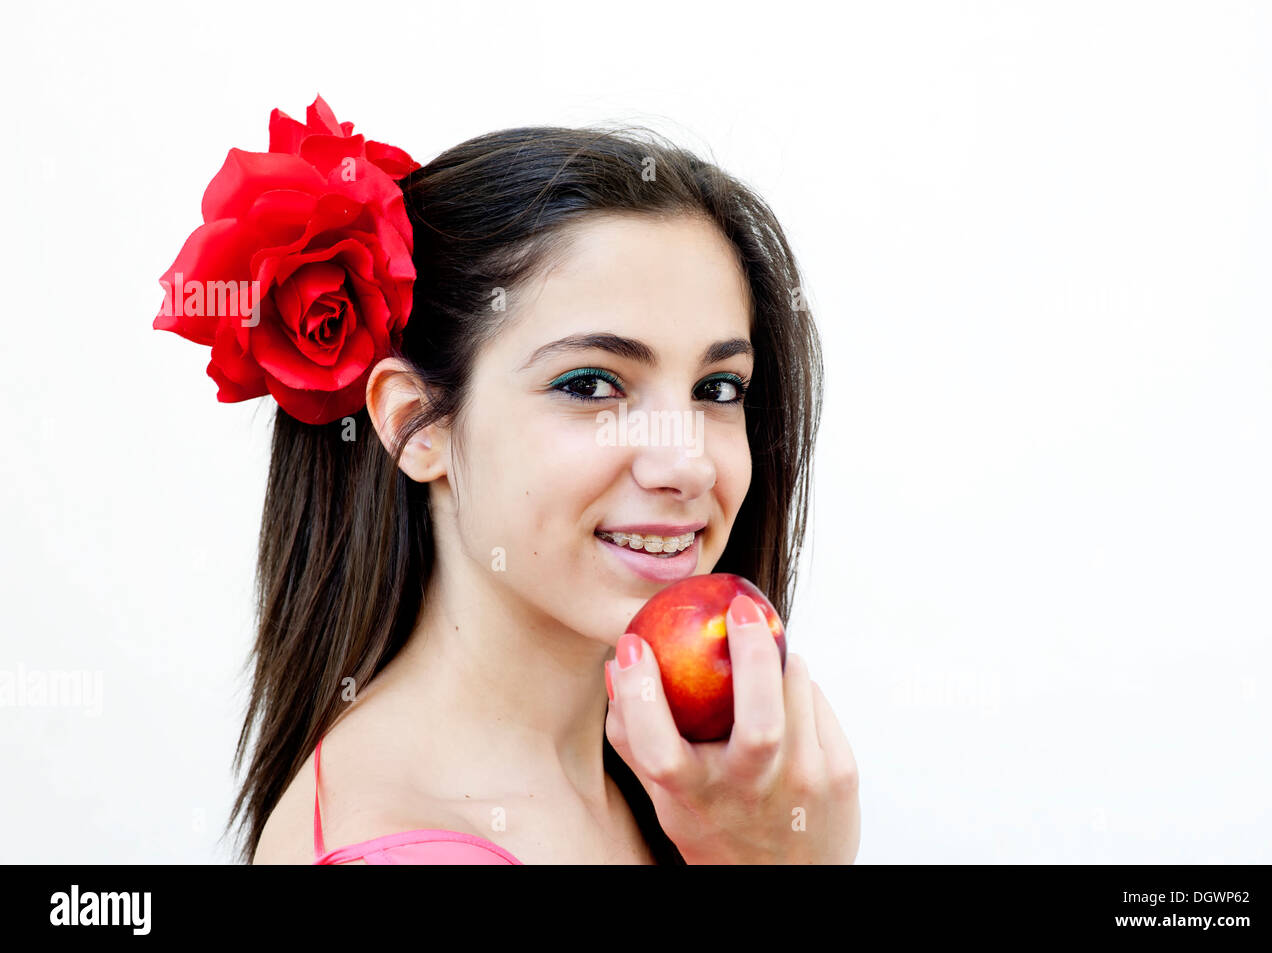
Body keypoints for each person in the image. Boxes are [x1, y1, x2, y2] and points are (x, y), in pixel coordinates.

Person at [180, 104, 858, 863]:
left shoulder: (678, 791)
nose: (689, 462)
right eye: (592, 384)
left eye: (719, 389)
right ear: (416, 424)